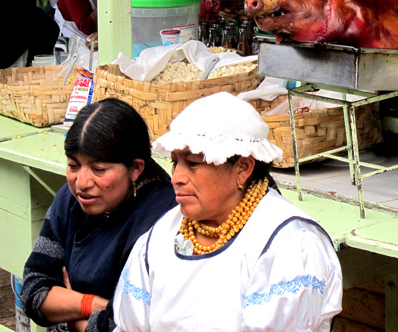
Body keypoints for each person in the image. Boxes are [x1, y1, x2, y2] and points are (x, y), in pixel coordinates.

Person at [112, 92, 343, 331]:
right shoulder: (161, 235)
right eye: (175, 162)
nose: (176, 178)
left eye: (193, 163)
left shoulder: (289, 244)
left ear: (242, 168)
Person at [20, 98, 177, 332]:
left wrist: (67, 311)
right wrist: (91, 303)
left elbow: (130, 324)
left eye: (99, 169)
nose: (81, 183)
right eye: (73, 166)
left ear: (136, 168)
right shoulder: (69, 201)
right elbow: (33, 290)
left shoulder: (163, 221)